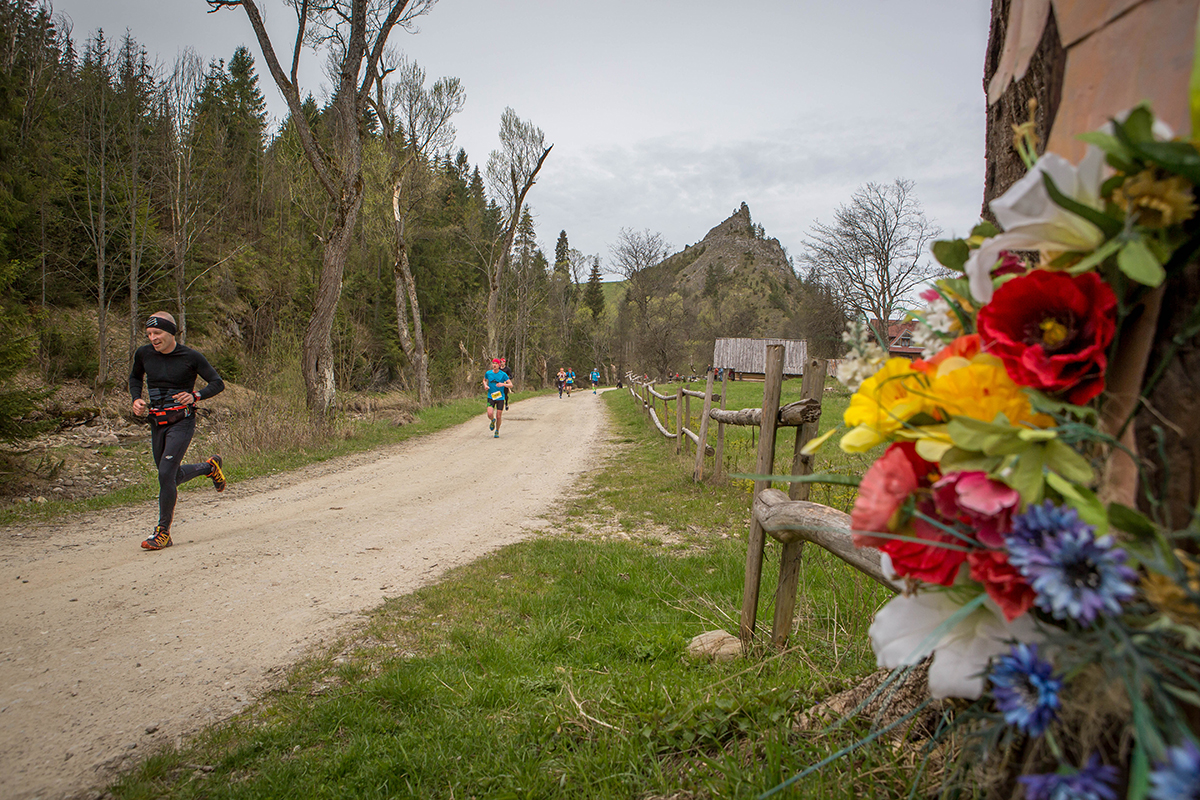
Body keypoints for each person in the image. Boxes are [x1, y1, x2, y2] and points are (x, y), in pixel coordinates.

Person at [129, 312, 226, 551]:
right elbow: (135, 377)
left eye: (157, 333)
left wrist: (195, 395)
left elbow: (217, 383)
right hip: (156, 422)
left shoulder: (191, 357)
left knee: (165, 473)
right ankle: (209, 467)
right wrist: (136, 399)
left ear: (171, 333)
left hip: (182, 421)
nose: (153, 338)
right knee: (170, 476)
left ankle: (163, 533)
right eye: (149, 334)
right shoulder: (143, 353)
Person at [483, 358, 513, 438]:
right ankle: (492, 420)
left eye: (496, 363)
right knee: (489, 413)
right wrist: (485, 385)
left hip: (500, 397)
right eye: (493, 363)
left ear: (499, 365)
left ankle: (497, 430)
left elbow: (511, 385)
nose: (494, 365)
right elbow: (484, 380)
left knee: (498, 416)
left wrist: (503, 384)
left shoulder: (503, 374)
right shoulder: (488, 373)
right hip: (491, 396)